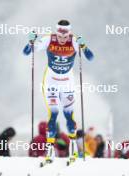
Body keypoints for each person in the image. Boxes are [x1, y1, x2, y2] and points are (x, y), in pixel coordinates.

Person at [23, 19, 94, 162]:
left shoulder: (74, 41)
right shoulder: (49, 39)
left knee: (69, 115)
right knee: (53, 114)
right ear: (57, 32)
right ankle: (50, 152)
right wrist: (30, 42)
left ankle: (73, 149)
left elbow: (90, 57)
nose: (62, 39)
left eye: (65, 36)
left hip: (67, 84)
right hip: (51, 83)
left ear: (69, 33)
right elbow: (26, 52)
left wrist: (84, 46)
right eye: (60, 36)